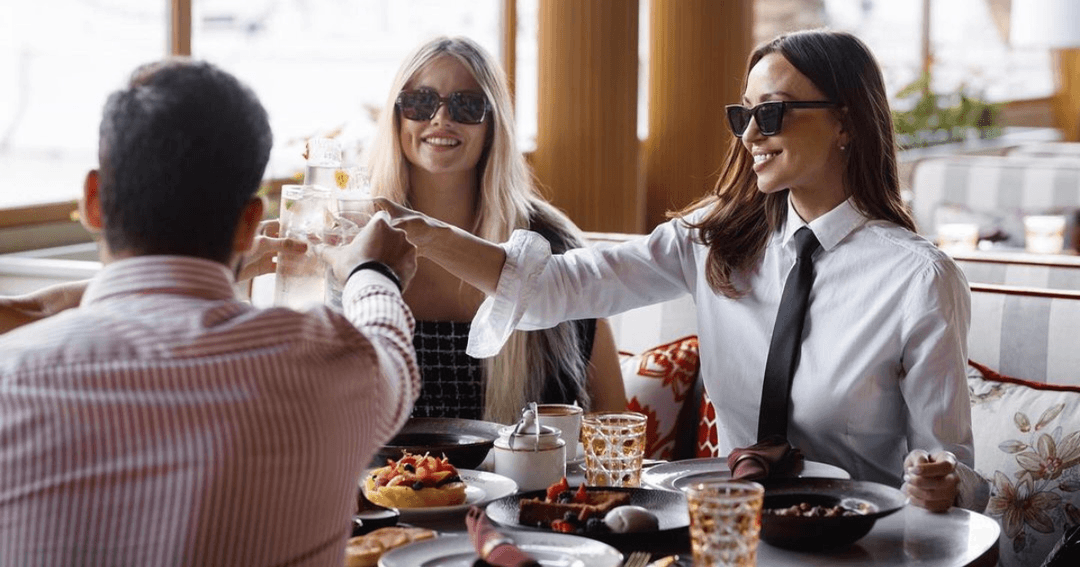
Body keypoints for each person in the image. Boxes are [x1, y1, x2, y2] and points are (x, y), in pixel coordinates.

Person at [378, 30, 989, 512]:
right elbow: (552, 285)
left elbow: (950, 464)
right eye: (742, 114)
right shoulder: (714, 239)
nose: (749, 134)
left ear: (846, 122)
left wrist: (940, 481)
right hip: (728, 529)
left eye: (772, 113)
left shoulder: (918, 279)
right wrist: (414, 230)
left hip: (860, 541)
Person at [0, 59, 420, 564]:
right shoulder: (330, 365)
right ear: (249, 225)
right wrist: (374, 272)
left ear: (94, 201)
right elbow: (391, 354)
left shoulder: (11, 376)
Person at [365, 36, 624, 424]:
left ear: (493, 123)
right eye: (421, 101)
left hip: (522, 483)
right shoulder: (358, 235)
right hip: (378, 482)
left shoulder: (550, 243)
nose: (440, 119)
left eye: (466, 105)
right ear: (397, 116)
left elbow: (611, 412)